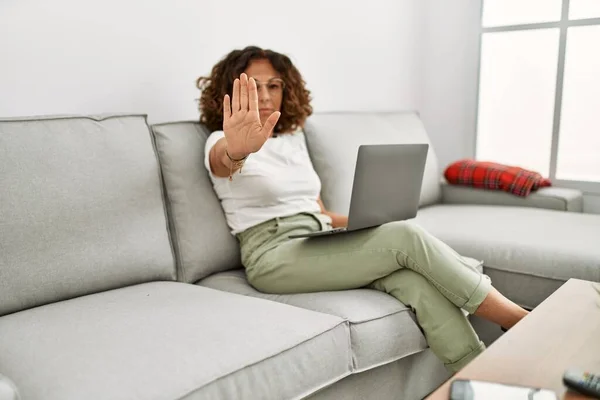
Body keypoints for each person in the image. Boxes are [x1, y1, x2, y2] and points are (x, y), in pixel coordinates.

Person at [197, 46, 529, 372]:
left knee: (413, 280)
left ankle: (477, 375)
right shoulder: (219, 141)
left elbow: (319, 212)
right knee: (405, 237)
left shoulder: (293, 142)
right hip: (271, 255)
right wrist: (237, 150)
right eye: (255, 87)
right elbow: (224, 162)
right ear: (233, 93)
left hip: (317, 239)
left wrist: (371, 223)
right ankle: (520, 321)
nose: (266, 95)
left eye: (274, 85)